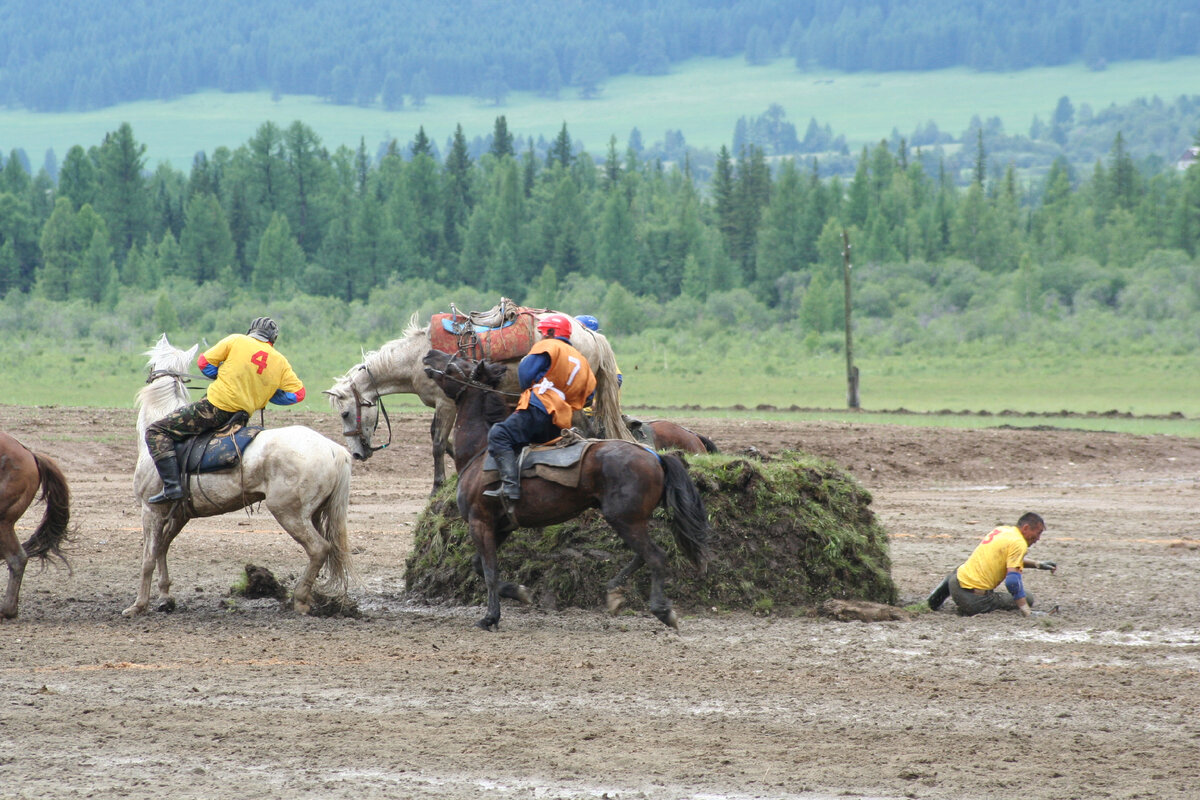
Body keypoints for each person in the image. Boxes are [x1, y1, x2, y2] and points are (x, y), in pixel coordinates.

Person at [144, 317, 305, 503]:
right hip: (240, 417)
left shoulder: (236, 340)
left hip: (213, 409)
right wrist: (267, 394)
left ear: (251, 331)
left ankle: (171, 487)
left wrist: (220, 374)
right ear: (273, 339)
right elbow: (298, 394)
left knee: (156, 431)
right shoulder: (280, 361)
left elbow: (204, 363)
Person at [484, 313, 596, 501]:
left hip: (539, 406)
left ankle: (510, 487)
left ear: (552, 332)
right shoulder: (581, 360)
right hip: (561, 418)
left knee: (500, 434)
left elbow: (525, 376)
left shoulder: (548, 346)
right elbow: (588, 398)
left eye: (544, 332)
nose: (542, 336)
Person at [926, 512, 1057, 617]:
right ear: (1026, 528)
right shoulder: (1019, 543)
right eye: (1038, 533)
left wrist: (1037, 564)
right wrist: (1027, 611)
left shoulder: (1002, 530)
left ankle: (930, 603)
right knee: (1027, 598)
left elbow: (1004, 559)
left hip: (954, 583)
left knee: (963, 568)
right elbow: (1012, 582)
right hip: (973, 601)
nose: (1038, 538)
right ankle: (966, 609)